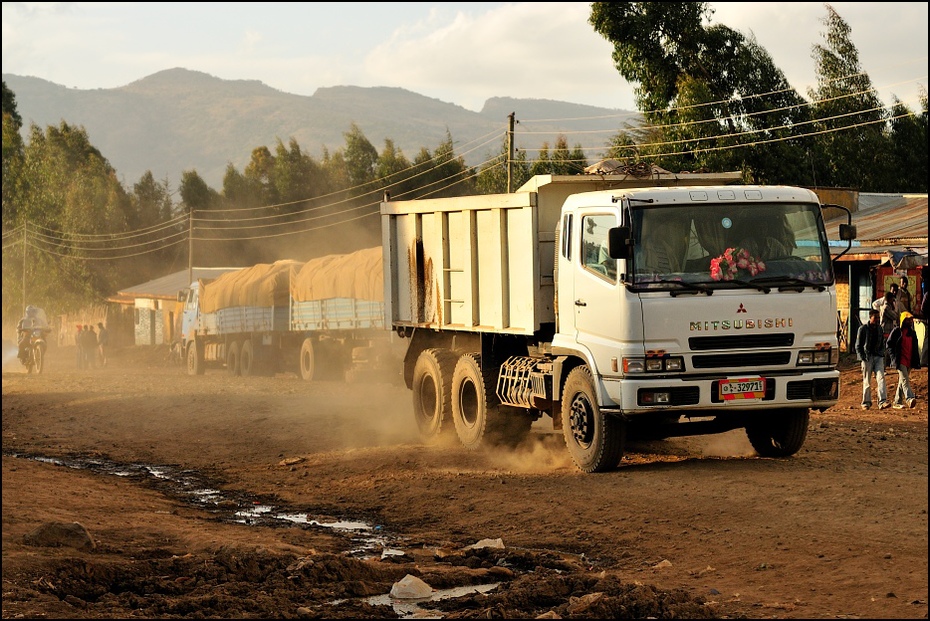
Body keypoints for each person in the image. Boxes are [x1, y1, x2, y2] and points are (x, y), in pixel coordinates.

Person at [855, 309, 890, 410]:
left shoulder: (880, 329)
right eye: (876, 318)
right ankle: (866, 402)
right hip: (867, 357)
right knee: (867, 381)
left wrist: (882, 353)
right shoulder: (863, 329)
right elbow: (858, 345)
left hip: (878, 357)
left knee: (881, 378)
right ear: (870, 318)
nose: (878, 320)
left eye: (878, 318)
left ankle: (882, 401)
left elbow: (882, 342)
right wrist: (862, 357)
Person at [886, 311, 921, 409]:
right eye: (908, 319)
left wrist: (916, 361)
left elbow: (915, 348)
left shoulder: (912, 333)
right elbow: (889, 344)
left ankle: (897, 402)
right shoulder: (897, 331)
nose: (910, 321)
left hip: (909, 360)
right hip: (900, 360)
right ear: (903, 320)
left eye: (911, 319)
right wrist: (893, 357)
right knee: (905, 380)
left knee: (902, 381)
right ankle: (909, 398)